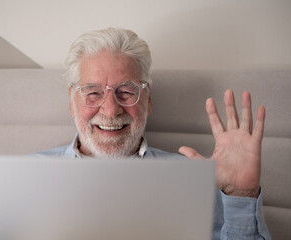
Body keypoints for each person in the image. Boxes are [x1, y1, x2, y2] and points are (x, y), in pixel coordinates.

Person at [36, 27, 271, 239]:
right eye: (93, 93)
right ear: (71, 102)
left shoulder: (197, 180)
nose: (111, 110)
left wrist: (241, 195)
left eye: (126, 91)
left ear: (148, 101)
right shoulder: (29, 175)